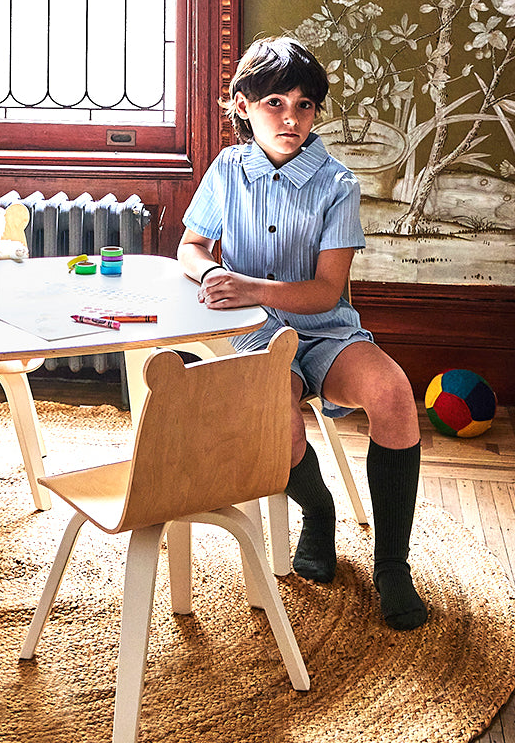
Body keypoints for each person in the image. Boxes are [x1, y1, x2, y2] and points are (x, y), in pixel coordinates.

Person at [177, 37, 427, 630]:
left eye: (305, 106)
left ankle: (392, 564)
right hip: (254, 335)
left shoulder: (337, 183)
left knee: (393, 395)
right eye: (274, 104)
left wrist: (252, 284)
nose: (291, 119)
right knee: (283, 431)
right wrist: (213, 272)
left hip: (325, 331)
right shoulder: (225, 172)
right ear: (241, 105)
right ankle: (318, 512)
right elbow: (189, 247)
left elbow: (323, 291)